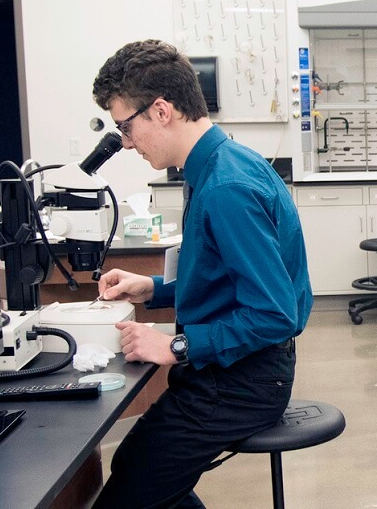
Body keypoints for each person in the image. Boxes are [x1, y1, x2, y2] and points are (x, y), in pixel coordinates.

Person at [90, 40, 312, 508]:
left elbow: (274, 314)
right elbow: (227, 278)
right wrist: (153, 288)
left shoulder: (227, 187)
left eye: (126, 127)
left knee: (128, 495)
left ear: (162, 111)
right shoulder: (214, 164)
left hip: (243, 382)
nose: (126, 143)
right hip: (231, 370)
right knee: (134, 466)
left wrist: (175, 345)